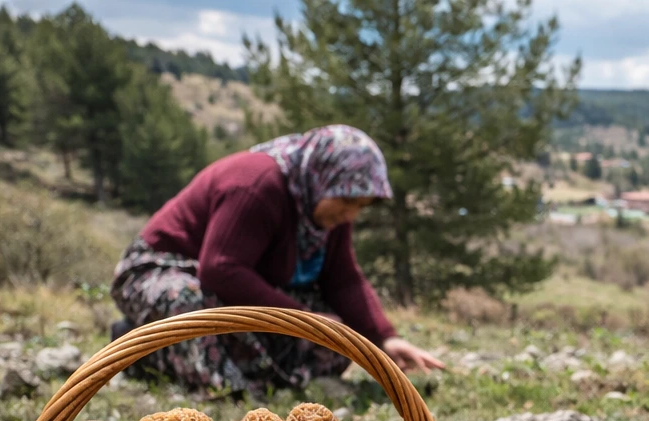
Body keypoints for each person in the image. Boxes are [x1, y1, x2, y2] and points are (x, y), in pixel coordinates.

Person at [111, 124, 443, 396]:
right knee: (190, 304)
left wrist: (385, 338)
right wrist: (303, 319)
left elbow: (342, 279)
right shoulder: (255, 185)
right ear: (323, 178)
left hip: (226, 285)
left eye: (361, 206)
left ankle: (181, 356)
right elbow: (220, 268)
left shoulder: (325, 206)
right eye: (347, 202)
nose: (351, 215)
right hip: (160, 270)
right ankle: (155, 355)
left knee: (334, 332)